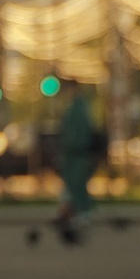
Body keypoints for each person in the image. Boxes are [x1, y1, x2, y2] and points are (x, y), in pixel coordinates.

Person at [49, 81, 104, 239]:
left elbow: (76, 135)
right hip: (73, 155)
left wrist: (67, 149)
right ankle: (67, 214)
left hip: (76, 155)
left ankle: (83, 214)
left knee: (76, 185)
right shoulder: (77, 108)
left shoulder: (78, 109)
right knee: (72, 186)